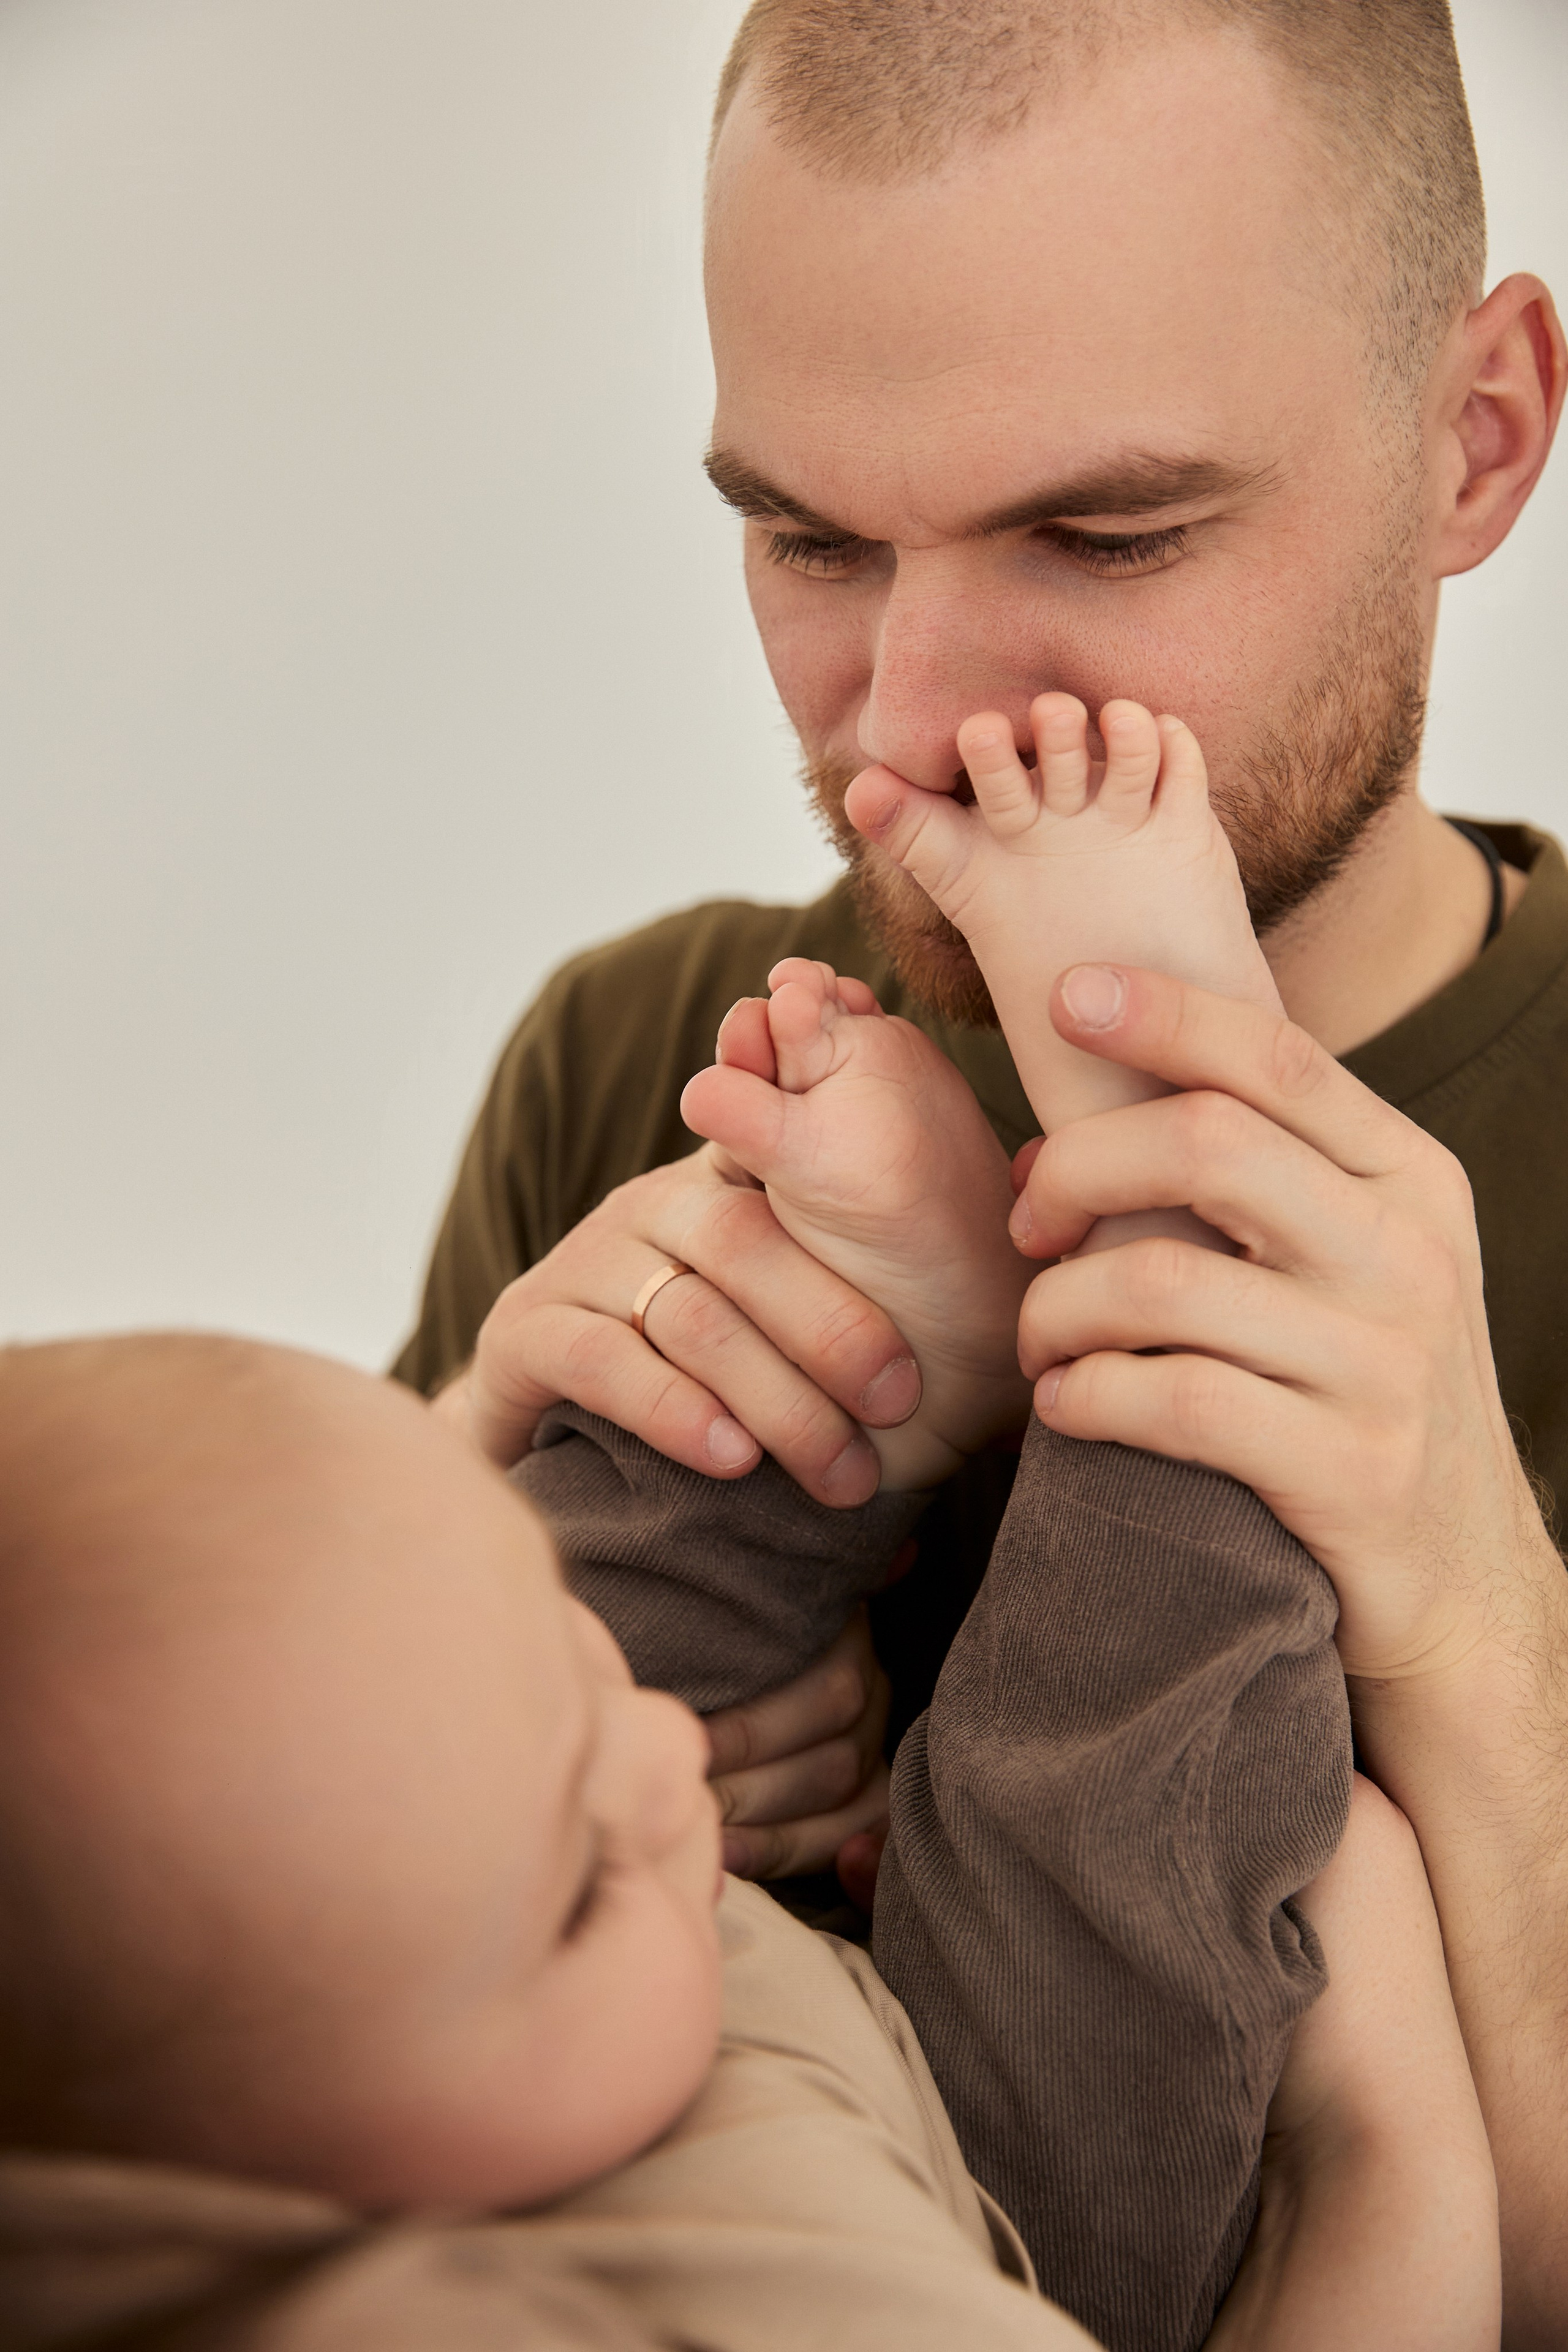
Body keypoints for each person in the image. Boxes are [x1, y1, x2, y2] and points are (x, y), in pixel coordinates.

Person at [396, 6, 1568, 2338]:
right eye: (810, 537)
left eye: (1105, 531)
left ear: (1477, 440)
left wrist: (1461, 1603)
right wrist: (446, 1555)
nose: (909, 723)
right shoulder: (647, 1054)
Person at [0, 1330, 1496, 2352]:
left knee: (438, 1627)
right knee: (1094, 1845)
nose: (675, 1763)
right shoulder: (800, 2306)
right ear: (265, 2197)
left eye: (605, 1707)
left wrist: (476, 1455)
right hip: (1000, 2204)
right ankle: (1179, 1319)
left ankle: (830, 1365)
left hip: (586, 1964)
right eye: (579, 1889)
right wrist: (1384, 2150)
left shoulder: (436, 2003)